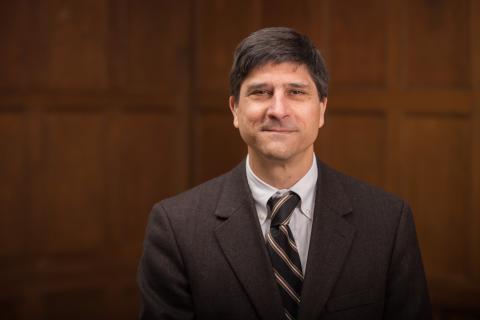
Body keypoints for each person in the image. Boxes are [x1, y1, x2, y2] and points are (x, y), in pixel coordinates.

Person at [137, 27, 432, 320]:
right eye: (261, 92)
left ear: (322, 109)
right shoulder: (176, 227)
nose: (278, 109)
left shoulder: (388, 222)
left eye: (296, 92)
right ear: (235, 110)